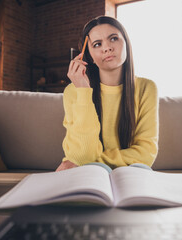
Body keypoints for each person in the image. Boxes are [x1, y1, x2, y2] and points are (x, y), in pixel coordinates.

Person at [56, 16, 158, 172]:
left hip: (129, 171)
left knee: (138, 168)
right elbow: (82, 155)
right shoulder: (73, 90)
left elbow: (146, 154)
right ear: (88, 55)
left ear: (126, 43)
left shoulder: (147, 88)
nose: (107, 48)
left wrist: (96, 160)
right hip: (88, 171)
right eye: (97, 44)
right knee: (93, 169)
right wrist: (83, 91)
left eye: (113, 39)